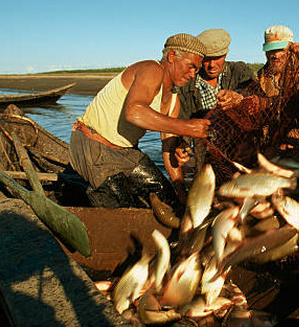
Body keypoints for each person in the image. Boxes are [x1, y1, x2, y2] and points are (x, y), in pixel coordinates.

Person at [69, 33, 209, 209]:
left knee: (170, 201)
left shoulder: (174, 102)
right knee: (124, 209)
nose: (193, 75)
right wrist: (187, 127)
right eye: (191, 67)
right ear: (172, 56)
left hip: (127, 153)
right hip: (92, 145)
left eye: (196, 70)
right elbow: (134, 112)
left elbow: (168, 149)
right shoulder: (151, 69)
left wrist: (181, 192)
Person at [167, 29, 255, 202]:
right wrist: (181, 145)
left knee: (242, 197)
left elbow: (258, 98)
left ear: (226, 54)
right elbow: (181, 122)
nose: (212, 65)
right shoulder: (187, 83)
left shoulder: (241, 72)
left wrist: (239, 98)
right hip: (204, 156)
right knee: (210, 200)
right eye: (206, 59)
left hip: (242, 153)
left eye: (218, 58)